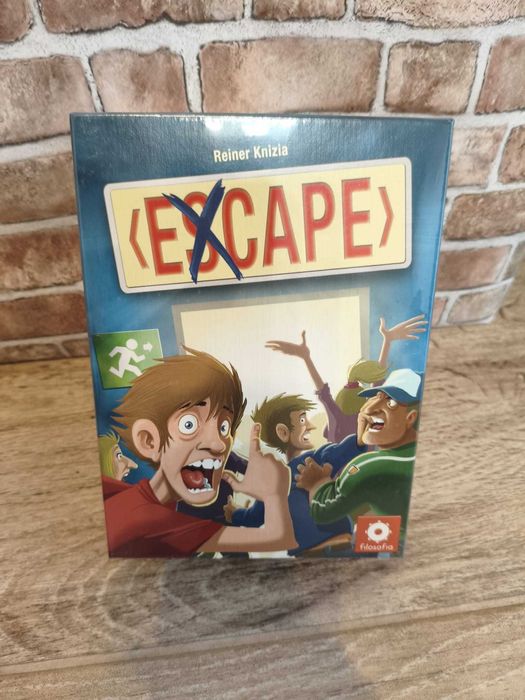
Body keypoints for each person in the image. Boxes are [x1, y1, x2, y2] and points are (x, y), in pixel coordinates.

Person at [103, 348, 296, 557]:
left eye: (223, 427)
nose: (218, 444)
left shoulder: (125, 494)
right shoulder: (155, 522)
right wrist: (275, 494)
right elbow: (278, 537)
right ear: (149, 441)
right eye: (189, 424)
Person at [226, 393, 366, 555]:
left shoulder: (278, 478)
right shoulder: (311, 460)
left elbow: (252, 517)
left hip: (324, 553)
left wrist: (234, 513)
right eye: (302, 420)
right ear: (283, 432)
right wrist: (360, 439)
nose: (310, 426)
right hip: (330, 553)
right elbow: (254, 517)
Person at [295, 369, 421, 539]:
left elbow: (322, 509)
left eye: (391, 403)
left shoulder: (368, 466)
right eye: (376, 397)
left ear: (410, 418)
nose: (369, 409)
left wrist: (317, 483)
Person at [265, 315, 427, 443]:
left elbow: (324, 394)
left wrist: (306, 358)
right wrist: (387, 341)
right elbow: (377, 380)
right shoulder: (369, 414)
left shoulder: (338, 419)